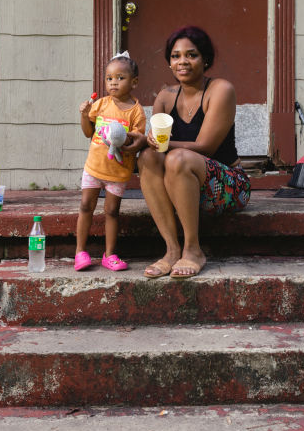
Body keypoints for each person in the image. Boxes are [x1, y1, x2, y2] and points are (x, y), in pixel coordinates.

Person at [137, 26, 250, 279]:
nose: (182, 62)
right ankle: (172, 250)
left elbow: (206, 147)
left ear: (205, 58)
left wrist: (154, 143)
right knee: (147, 157)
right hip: (179, 187)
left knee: (176, 157)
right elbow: (156, 147)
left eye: (191, 55)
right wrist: (142, 142)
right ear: (169, 62)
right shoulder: (165, 97)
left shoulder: (220, 90)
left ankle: (193, 249)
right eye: (175, 56)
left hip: (228, 186)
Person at [76, 51, 146, 272]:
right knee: (86, 206)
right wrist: (84, 114)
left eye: (120, 78)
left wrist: (123, 140)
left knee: (112, 211)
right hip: (94, 167)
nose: (113, 82)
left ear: (134, 82)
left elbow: (135, 141)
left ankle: (110, 254)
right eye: (109, 78)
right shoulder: (100, 105)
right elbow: (88, 132)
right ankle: (80, 252)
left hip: (118, 171)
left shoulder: (137, 112)